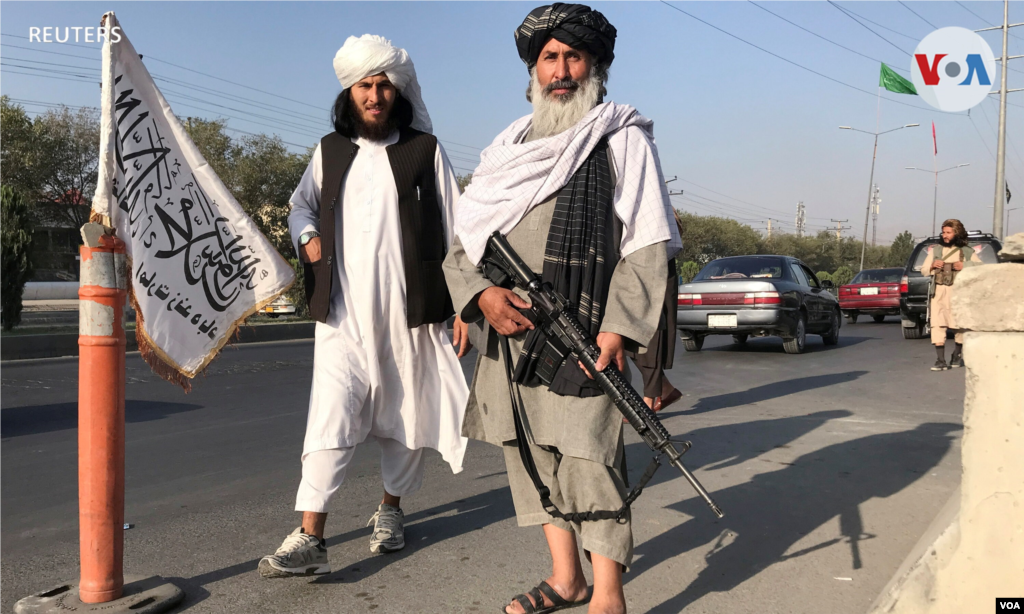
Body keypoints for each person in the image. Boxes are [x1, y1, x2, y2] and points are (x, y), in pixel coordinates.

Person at [443, 5, 681, 613]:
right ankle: (565, 578)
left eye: (573, 56)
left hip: (582, 333)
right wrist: (480, 297)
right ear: (533, 71)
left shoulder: (618, 138)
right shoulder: (505, 151)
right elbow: (463, 242)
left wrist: (620, 330)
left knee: (589, 459)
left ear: (595, 65)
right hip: (510, 334)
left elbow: (648, 243)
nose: (561, 70)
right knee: (528, 456)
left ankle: (607, 596)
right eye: (550, 58)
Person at [258, 34, 470, 578]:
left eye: (383, 85)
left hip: (412, 312)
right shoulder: (330, 150)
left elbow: (458, 227)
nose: (374, 95)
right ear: (348, 93)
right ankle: (311, 536)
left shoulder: (425, 150)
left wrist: (466, 306)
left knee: (407, 413)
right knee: (328, 416)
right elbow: (300, 205)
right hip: (342, 314)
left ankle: (391, 511)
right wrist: (307, 237)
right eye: (364, 86)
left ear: (397, 91)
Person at [921, 218, 982, 371]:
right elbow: (923, 269)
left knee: (959, 326)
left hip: (958, 294)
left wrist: (964, 265)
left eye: (948, 232)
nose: (945, 236)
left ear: (957, 233)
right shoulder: (936, 250)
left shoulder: (967, 251)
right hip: (939, 293)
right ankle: (940, 360)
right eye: (943, 232)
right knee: (937, 325)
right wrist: (933, 265)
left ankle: (956, 354)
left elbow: (981, 267)